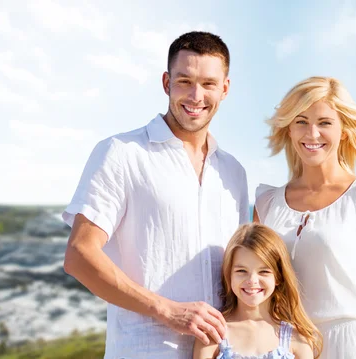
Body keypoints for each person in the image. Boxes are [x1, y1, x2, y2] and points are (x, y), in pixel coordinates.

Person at [61, 31, 249, 359]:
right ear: (166, 83)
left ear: (225, 89)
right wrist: (168, 310)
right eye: (184, 81)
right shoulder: (121, 153)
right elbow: (79, 255)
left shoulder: (234, 173)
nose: (195, 96)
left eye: (208, 84)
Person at [253, 76, 356, 359]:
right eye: (301, 121)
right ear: (288, 129)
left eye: (324, 122)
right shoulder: (266, 203)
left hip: (352, 344)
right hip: (284, 345)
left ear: (344, 130)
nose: (312, 133)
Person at [193, 223, 322, 359]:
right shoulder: (212, 334)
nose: (252, 280)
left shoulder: (298, 339)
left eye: (264, 271)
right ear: (229, 274)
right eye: (242, 271)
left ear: (278, 276)